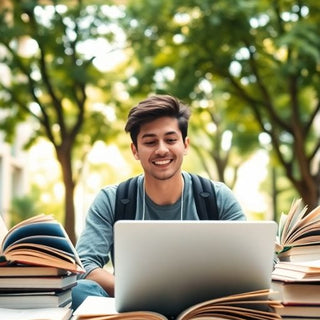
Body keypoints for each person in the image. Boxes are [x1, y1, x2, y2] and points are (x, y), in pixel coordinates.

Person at [72, 94, 246, 309]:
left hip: (204, 309)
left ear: (185, 145)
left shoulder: (217, 197)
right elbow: (84, 266)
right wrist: (141, 293)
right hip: (134, 309)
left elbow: (252, 263)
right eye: (150, 141)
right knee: (79, 291)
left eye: (171, 140)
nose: (162, 149)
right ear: (135, 150)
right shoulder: (112, 199)